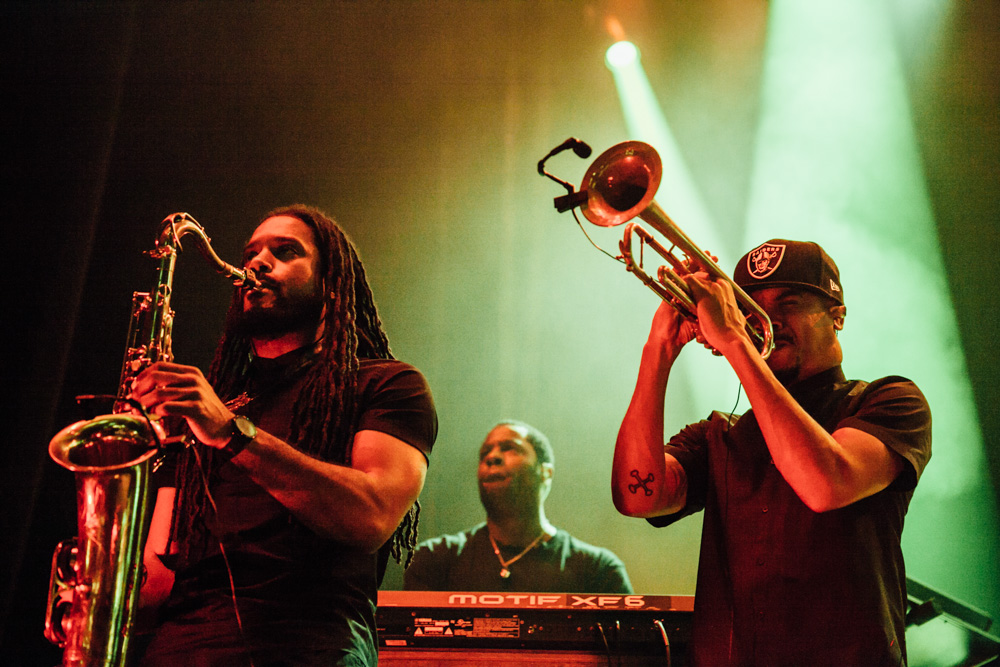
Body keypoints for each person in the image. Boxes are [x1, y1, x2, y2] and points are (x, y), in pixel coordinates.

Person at [132, 204, 438, 666]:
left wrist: (230, 433)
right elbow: (159, 577)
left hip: (307, 648)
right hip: (176, 653)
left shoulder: (386, 385)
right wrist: (100, 584)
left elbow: (371, 516)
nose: (257, 263)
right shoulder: (205, 407)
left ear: (332, 285)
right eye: (251, 252)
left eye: (285, 251)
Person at [612, 239, 931, 666]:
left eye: (789, 302)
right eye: (749, 308)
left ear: (837, 316)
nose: (768, 320)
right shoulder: (719, 434)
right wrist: (659, 351)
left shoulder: (890, 400)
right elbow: (637, 497)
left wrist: (734, 342)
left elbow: (824, 484)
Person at [404, 420, 632, 593]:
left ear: (546, 472)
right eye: (485, 453)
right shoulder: (435, 560)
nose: (492, 457)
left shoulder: (598, 571)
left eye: (509, 448)